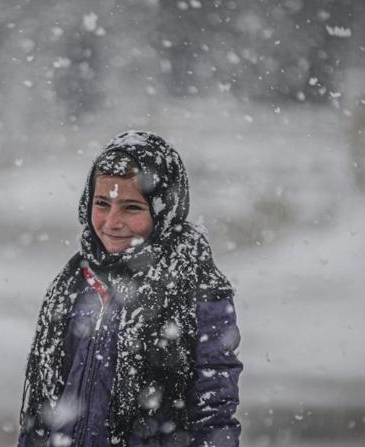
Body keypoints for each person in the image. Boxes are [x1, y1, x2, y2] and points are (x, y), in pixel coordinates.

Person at [18, 131, 242, 446]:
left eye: (131, 207)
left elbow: (213, 411)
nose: (112, 222)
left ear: (164, 209)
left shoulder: (194, 287)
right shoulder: (75, 280)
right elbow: (41, 412)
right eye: (102, 203)